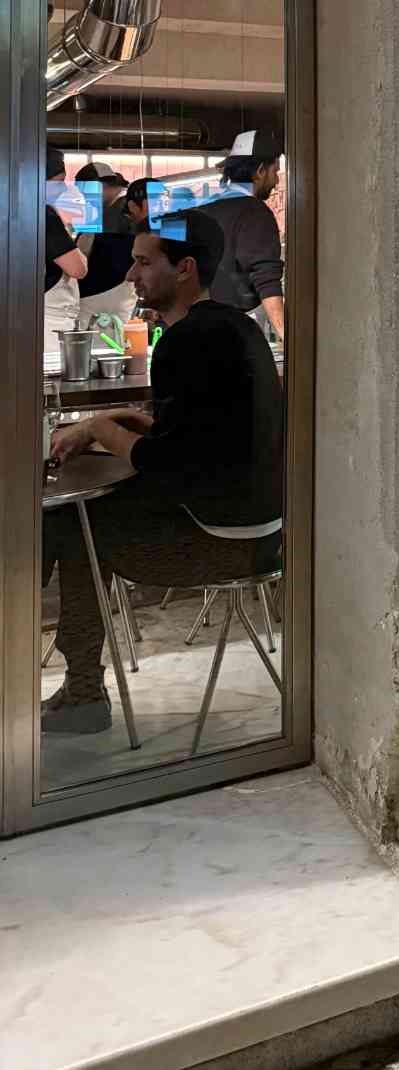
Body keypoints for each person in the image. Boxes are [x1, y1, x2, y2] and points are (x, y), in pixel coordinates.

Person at [42, 209, 285, 734]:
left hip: (219, 544)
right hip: (267, 538)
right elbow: (207, 440)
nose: (130, 275)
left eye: (144, 262)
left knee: (73, 524)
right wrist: (129, 420)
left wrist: (102, 429)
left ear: (185, 269)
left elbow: (171, 468)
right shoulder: (236, 327)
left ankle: (82, 693)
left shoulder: (184, 342)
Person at [203, 129, 285, 341]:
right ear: (260, 171)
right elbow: (266, 279)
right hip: (235, 332)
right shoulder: (255, 213)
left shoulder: (205, 209)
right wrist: (287, 336)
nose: (276, 180)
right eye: (275, 171)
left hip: (203, 326)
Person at [75, 162, 137, 326]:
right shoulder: (110, 210)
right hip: (110, 294)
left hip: (105, 294)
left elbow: (84, 251)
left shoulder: (121, 211)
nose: (85, 198)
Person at [44, 146, 87, 357]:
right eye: (59, 182)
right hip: (50, 322)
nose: (62, 189)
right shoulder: (45, 215)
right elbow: (78, 269)